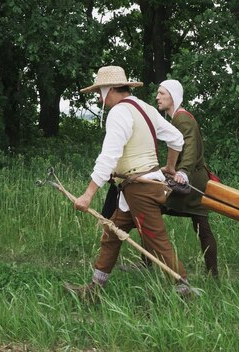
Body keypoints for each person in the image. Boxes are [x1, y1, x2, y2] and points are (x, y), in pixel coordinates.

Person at [64, 66, 190, 301]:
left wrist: (88, 194)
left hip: (141, 190)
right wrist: (170, 167)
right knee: (112, 233)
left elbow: (108, 157)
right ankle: (93, 290)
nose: (99, 98)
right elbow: (176, 139)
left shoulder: (119, 113)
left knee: (156, 240)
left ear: (108, 90)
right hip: (135, 188)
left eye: (99, 93)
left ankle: (184, 290)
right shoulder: (145, 108)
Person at [120, 79, 219, 278]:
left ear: (172, 96)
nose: (157, 97)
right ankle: (213, 275)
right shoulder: (177, 118)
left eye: (162, 93)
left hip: (189, 183)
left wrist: (182, 172)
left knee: (147, 209)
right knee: (200, 225)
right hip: (192, 180)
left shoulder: (182, 119)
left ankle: (147, 263)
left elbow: (189, 148)